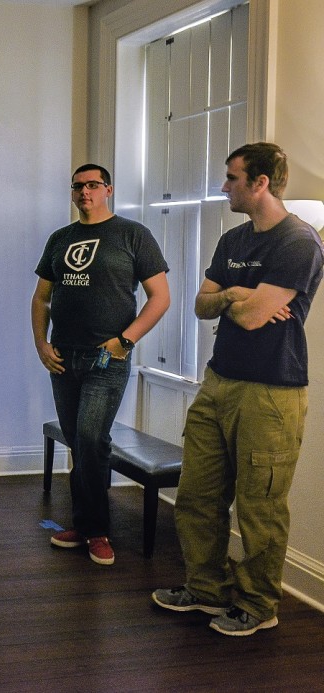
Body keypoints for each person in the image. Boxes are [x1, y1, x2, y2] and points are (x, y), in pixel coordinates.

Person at [152, 143, 323, 636]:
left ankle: (257, 605)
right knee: (197, 495)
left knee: (260, 507)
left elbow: (249, 319)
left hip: (271, 392)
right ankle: (205, 590)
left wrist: (233, 301)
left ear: (261, 182)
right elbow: (203, 305)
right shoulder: (233, 240)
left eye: (232, 178)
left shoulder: (299, 242)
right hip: (218, 381)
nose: (224, 186)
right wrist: (235, 294)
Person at [32, 164, 170, 566]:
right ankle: (85, 523)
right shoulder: (61, 239)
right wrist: (41, 344)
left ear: (108, 189)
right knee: (80, 443)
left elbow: (159, 296)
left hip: (107, 356)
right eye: (77, 186)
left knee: (92, 438)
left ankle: (97, 531)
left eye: (92, 185)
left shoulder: (132, 234)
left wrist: (126, 340)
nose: (84, 192)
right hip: (62, 357)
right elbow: (42, 297)